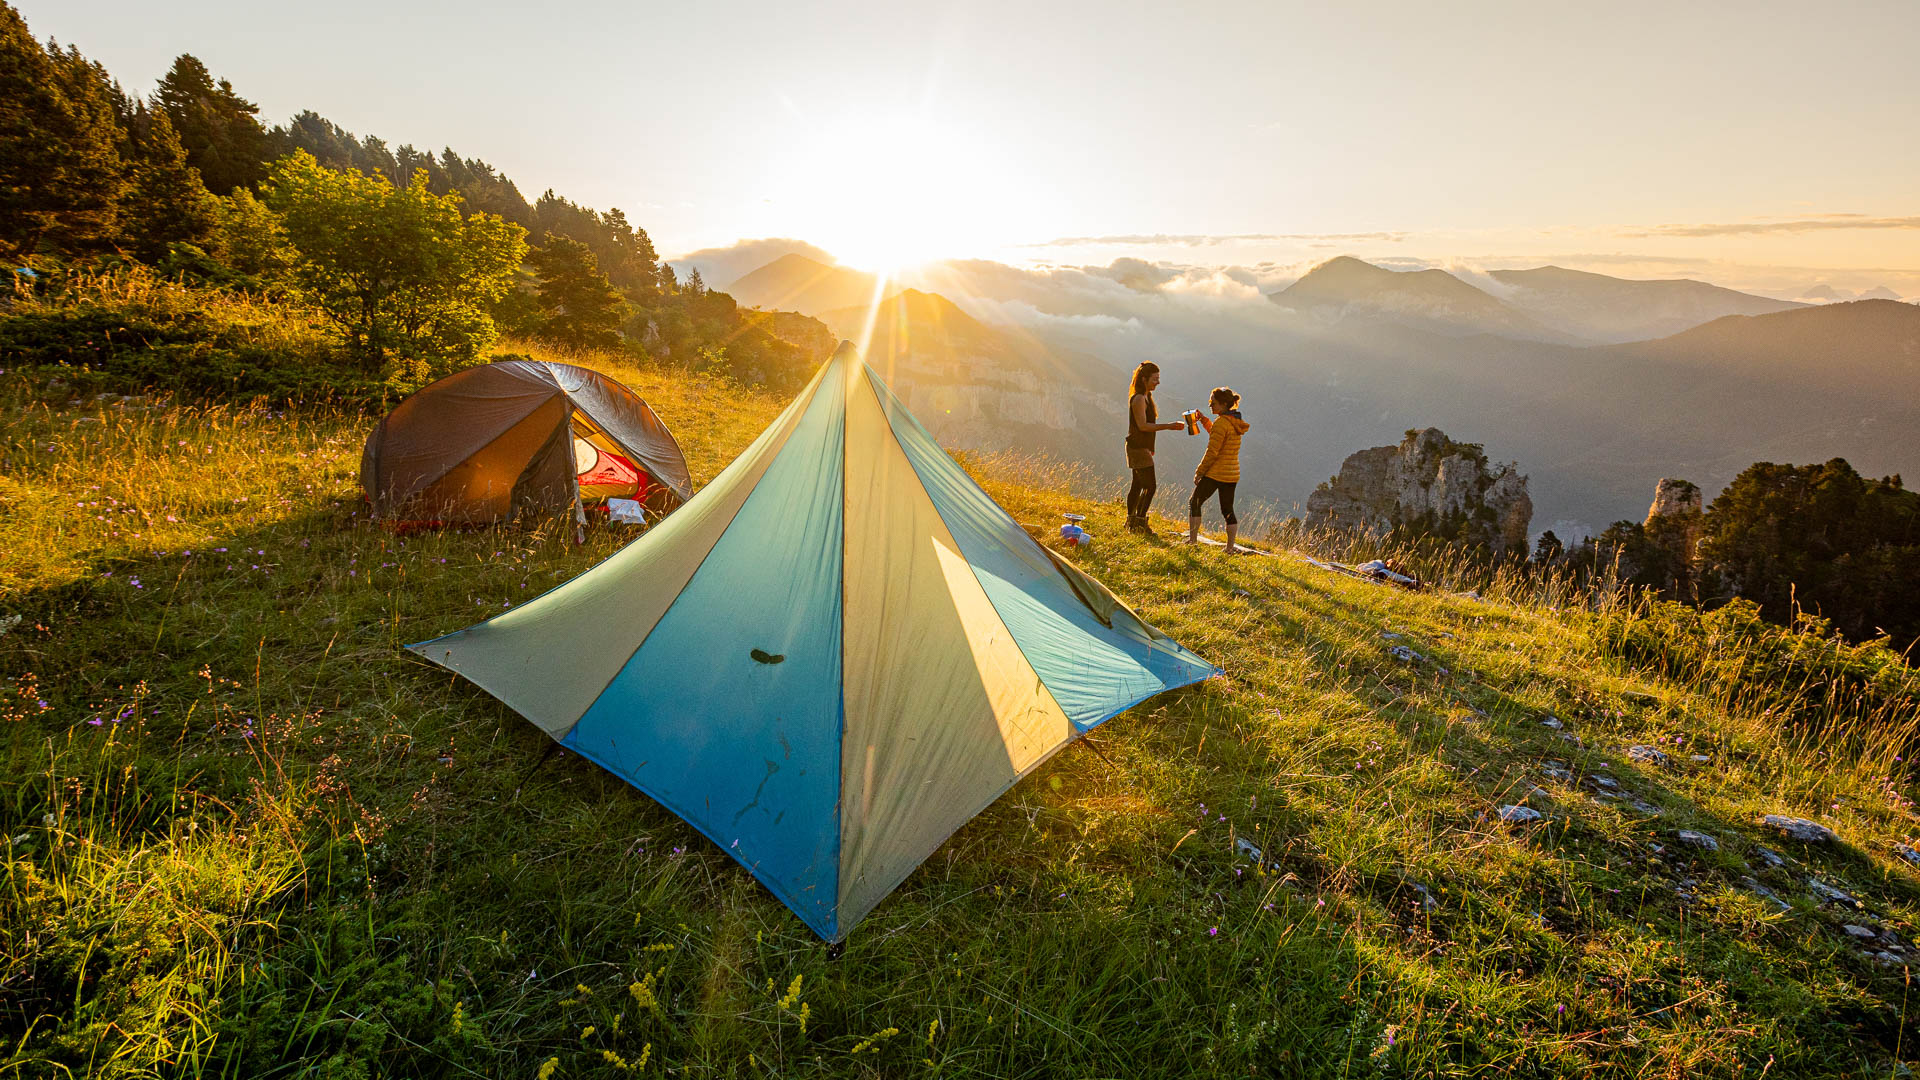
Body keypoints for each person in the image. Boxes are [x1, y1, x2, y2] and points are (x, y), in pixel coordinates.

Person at [1187, 386, 1251, 552]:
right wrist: (1204, 420)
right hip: (1232, 473)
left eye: (1213, 402)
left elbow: (1212, 451)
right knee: (1227, 509)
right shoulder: (1234, 421)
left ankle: (1192, 541)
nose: (1210, 405)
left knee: (1195, 502)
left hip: (1216, 472)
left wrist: (1199, 471)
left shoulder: (1222, 423)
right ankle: (1230, 548)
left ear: (1223, 404)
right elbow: (1216, 434)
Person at [1124, 361, 1185, 534]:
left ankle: (1132, 522)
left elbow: (1145, 429)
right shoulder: (1138, 399)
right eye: (1155, 379)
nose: (1158, 382)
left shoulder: (1146, 397)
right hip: (1137, 448)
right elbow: (1143, 426)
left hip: (1140, 447)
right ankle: (1139, 522)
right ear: (1144, 379)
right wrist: (1169, 426)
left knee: (1137, 485)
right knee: (1150, 486)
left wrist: (1151, 446)